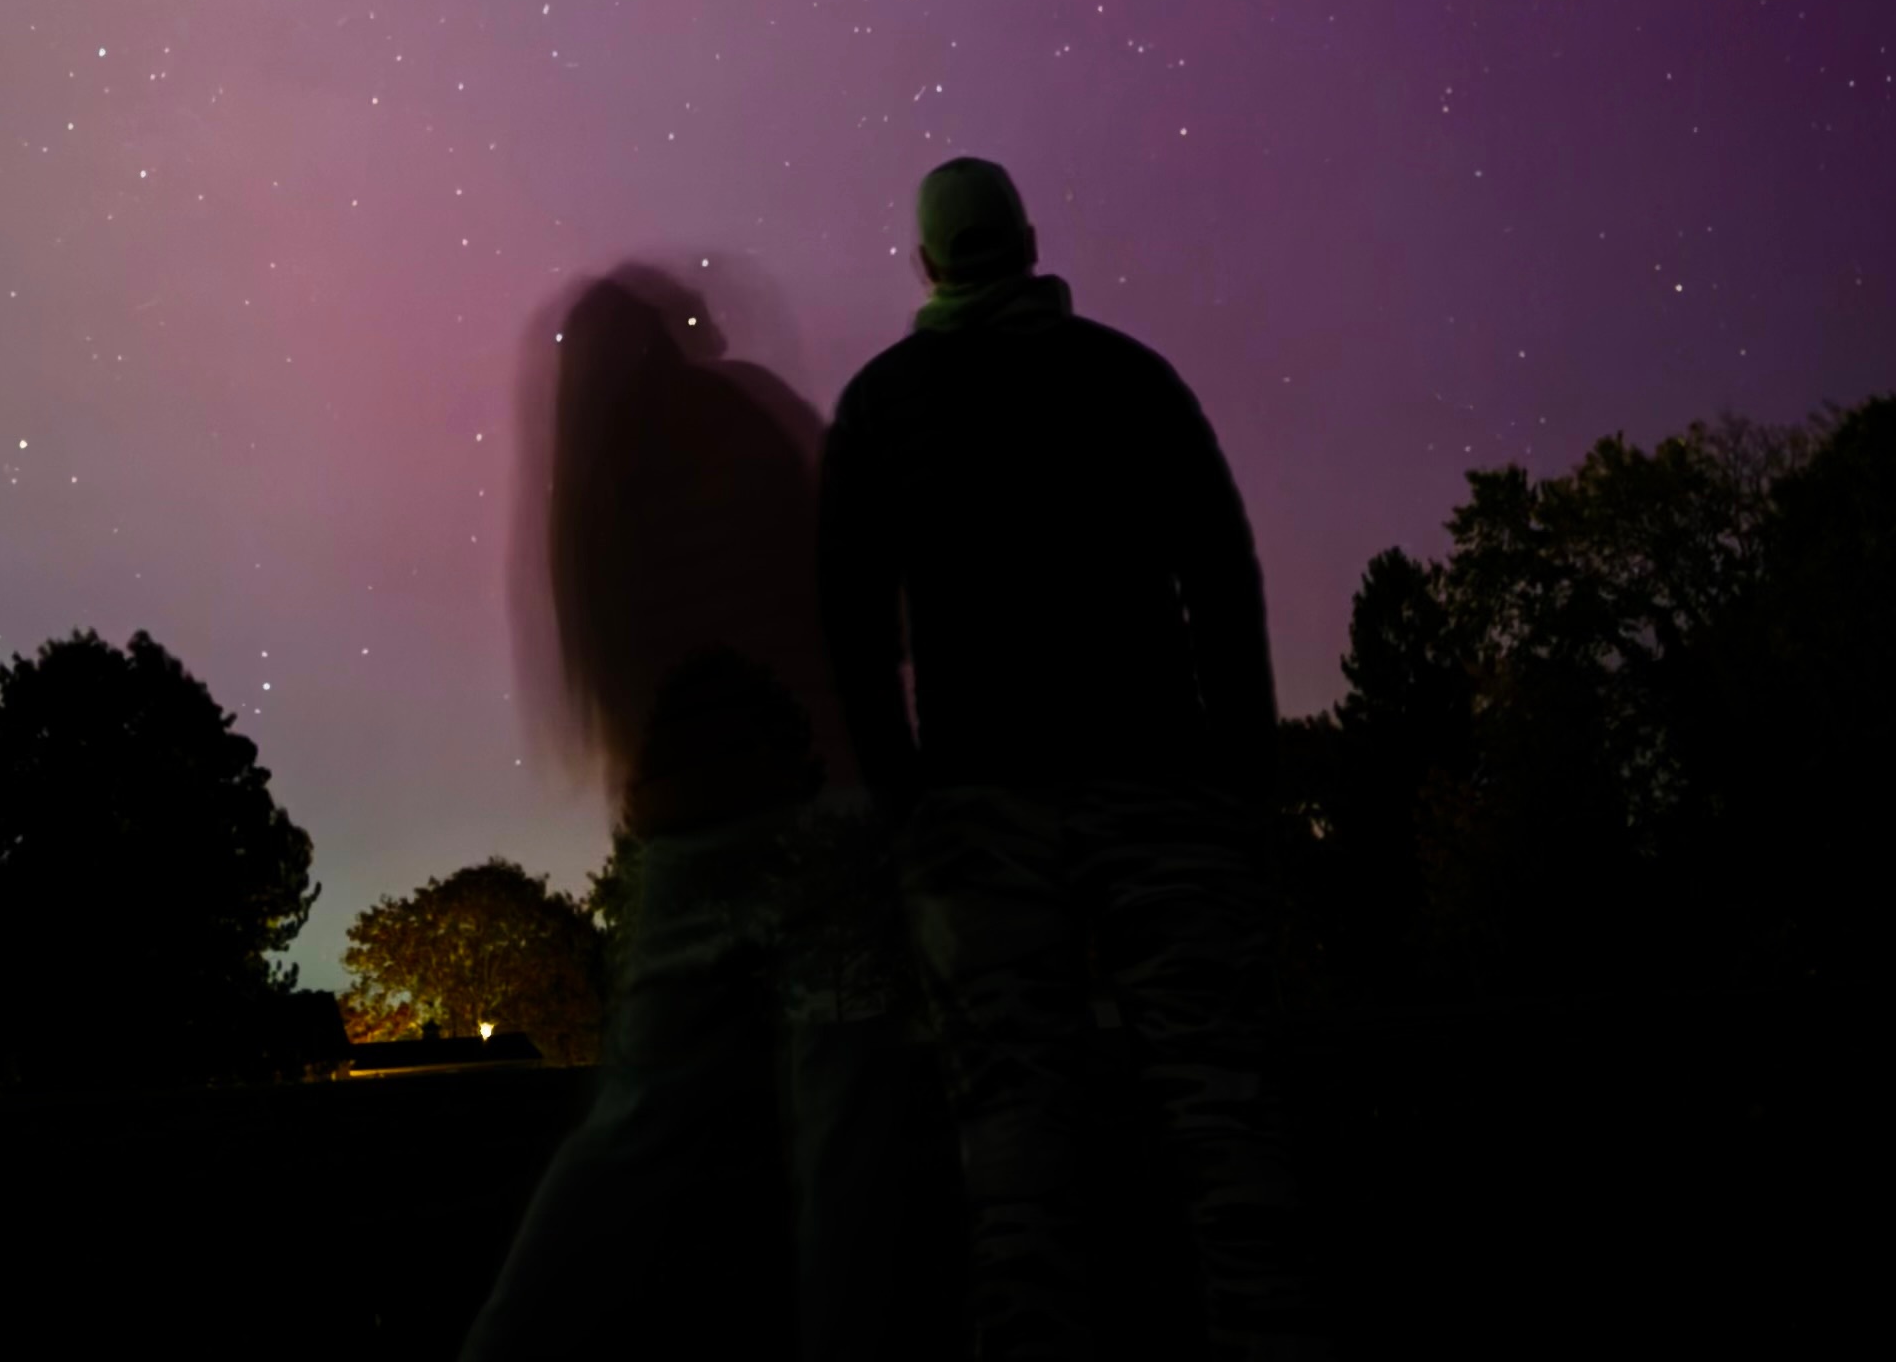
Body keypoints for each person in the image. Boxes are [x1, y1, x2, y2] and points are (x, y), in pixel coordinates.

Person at [818, 158, 1325, 1362]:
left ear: (926, 265)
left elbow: (851, 624)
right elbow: (1220, 579)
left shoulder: (885, 404)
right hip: (1159, 784)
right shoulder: (1131, 377)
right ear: (1032, 241)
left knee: (1016, 1164)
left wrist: (909, 803)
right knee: (1226, 1136)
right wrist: (1241, 780)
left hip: (981, 809)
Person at [463, 267, 956, 1362]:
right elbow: (864, 574)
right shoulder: (741, 413)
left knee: (632, 1126)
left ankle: (504, 1347)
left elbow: (608, 694)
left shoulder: (586, 490)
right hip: (821, 809)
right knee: (846, 1123)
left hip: (688, 829)